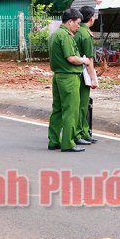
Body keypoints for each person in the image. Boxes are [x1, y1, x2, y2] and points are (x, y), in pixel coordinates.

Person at [47, 8, 91, 152]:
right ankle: (68, 143)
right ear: (70, 21)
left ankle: (54, 140)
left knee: (58, 110)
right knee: (71, 110)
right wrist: (84, 61)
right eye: (77, 23)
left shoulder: (54, 35)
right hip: (69, 77)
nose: (79, 26)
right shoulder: (65, 36)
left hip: (58, 76)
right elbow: (71, 58)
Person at [73, 5, 99, 146]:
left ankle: (81, 131)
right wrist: (94, 78)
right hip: (82, 73)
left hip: (73, 72)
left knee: (77, 104)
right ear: (91, 18)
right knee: (82, 105)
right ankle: (80, 132)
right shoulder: (85, 35)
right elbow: (89, 60)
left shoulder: (75, 32)